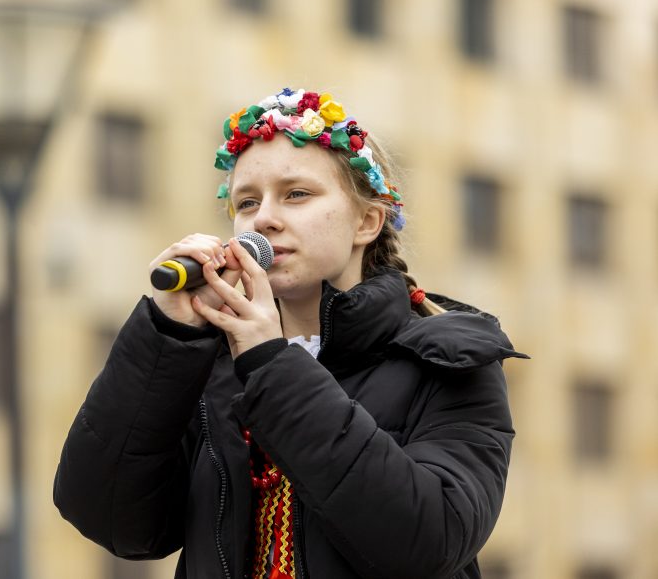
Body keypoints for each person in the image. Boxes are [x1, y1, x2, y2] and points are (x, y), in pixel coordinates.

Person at [54, 87, 528, 578]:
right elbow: (115, 522)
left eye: (296, 194)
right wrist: (167, 337)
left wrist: (271, 363)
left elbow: (429, 539)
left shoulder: (450, 358)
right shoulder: (210, 366)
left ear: (367, 221)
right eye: (247, 202)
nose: (265, 220)